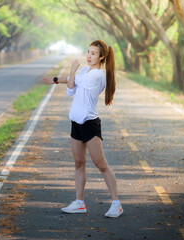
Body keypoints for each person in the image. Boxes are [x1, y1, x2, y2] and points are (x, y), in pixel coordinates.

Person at [43, 40, 123, 218]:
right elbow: (73, 88)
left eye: (94, 53)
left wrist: (71, 71)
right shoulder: (85, 71)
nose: (89, 56)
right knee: (79, 163)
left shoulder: (97, 75)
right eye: (88, 52)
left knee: (101, 165)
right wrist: (57, 79)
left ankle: (116, 203)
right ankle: (79, 203)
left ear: (102, 57)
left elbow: (72, 84)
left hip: (89, 123)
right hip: (76, 122)